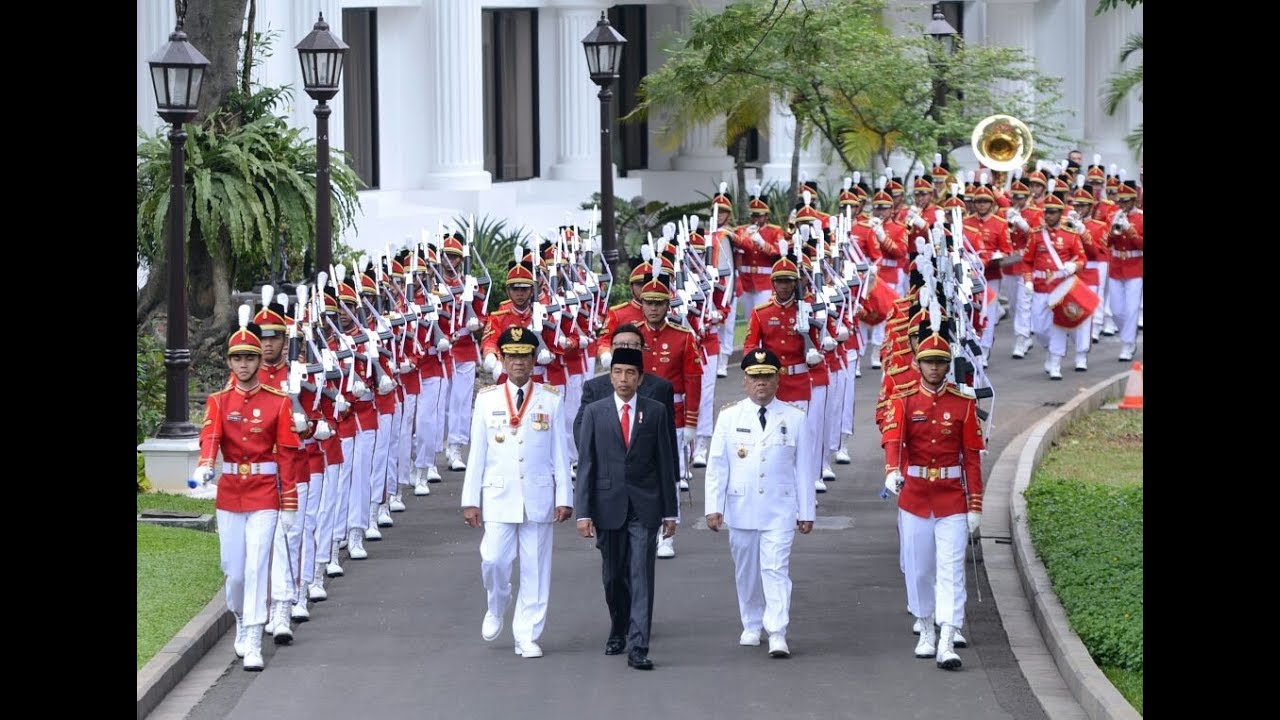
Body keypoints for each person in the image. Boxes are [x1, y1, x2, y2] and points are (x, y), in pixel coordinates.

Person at [191, 307, 301, 671]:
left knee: (257, 566)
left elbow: (287, 456)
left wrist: (288, 505)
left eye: (249, 358)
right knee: (234, 571)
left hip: (265, 493)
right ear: (229, 362)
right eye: (237, 358)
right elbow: (211, 436)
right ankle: (240, 616)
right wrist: (206, 464)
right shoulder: (219, 402)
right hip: (230, 494)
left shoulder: (278, 401)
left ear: (258, 361)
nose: (243, 365)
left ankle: (254, 636)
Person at [460, 326, 573, 658]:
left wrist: (565, 496)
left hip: (538, 495)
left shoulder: (550, 399)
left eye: (525, 356)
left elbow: (560, 453)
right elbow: (477, 453)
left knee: (536, 569)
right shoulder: (487, 400)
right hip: (497, 496)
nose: (519, 363)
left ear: (534, 359)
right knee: (493, 559)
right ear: (504, 360)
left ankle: (527, 634)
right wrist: (470, 501)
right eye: (512, 356)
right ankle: (497, 602)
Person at [881, 325, 984, 671]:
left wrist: (975, 505)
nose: (935, 368)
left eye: (941, 362)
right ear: (918, 363)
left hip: (952, 498)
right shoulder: (906, 399)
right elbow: (894, 440)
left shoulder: (964, 404)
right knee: (919, 569)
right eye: (928, 362)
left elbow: (971, 456)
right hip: (915, 497)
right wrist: (891, 471)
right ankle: (925, 626)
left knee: (951, 570)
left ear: (948, 364)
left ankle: (947, 638)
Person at [704, 349, 815, 658]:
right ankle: (751, 623)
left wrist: (807, 511)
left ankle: (777, 630)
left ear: (778, 380)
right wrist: (714, 507)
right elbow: (717, 466)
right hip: (741, 508)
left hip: (780, 509)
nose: (761, 384)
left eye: (767, 377)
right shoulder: (729, 417)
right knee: (747, 571)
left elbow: (804, 469)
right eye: (755, 378)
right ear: (745, 382)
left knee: (776, 568)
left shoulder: (794, 418)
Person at [575, 347, 678, 670]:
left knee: (640, 573)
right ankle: (618, 627)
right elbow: (587, 464)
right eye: (618, 372)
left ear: (640, 378)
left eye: (630, 373)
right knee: (613, 576)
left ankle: (638, 646)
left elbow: (665, 463)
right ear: (610, 376)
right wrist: (583, 512)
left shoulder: (656, 411)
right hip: (607, 506)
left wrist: (670, 512)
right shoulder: (596, 412)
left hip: (644, 507)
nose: (623, 379)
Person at [574, 324, 677, 473]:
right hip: (606, 472)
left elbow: (668, 440)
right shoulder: (594, 388)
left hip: (646, 476)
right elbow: (581, 429)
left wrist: (671, 478)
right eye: (620, 344)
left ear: (642, 350)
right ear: (611, 349)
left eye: (632, 345)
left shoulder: (661, 388)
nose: (626, 348)